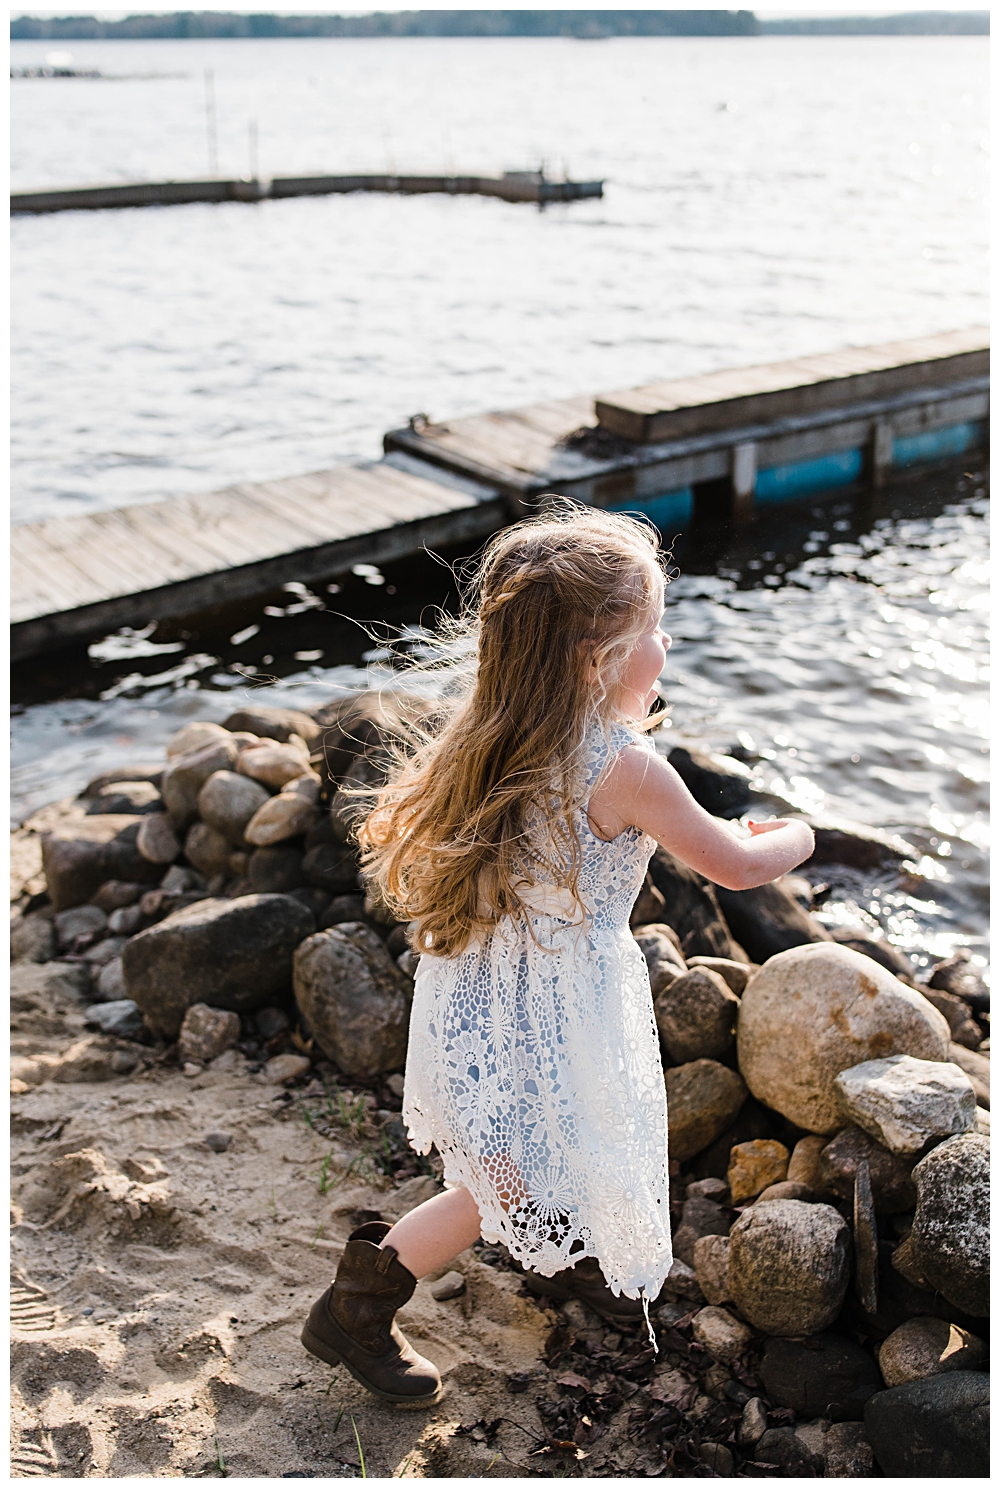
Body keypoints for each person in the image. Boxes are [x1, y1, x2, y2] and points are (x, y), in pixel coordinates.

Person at [301, 504, 815, 1407]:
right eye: (652, 629)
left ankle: (565, 1245)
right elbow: (733, 866)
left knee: (524, 1150)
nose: (666, 645)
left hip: (484, 983)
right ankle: (359, 1304)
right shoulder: (626, 767)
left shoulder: (494, 728)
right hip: (560, 997)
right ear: (597, 656)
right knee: (516, 1167)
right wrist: (797, 838)